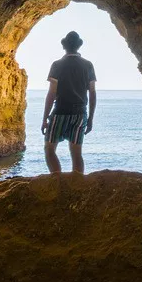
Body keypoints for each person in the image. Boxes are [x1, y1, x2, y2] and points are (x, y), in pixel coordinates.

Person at [42, 30, 97, 175]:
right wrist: (90, 118)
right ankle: (77, 185)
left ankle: (57, 179)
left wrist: (44, 118)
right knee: (76, 153)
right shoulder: (88, 65)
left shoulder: (57, 65)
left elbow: (51, 94)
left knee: (49, 149)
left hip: (60, 111)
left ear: (64, 46)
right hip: (80, 113)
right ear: (79, 46)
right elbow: (92, 93)